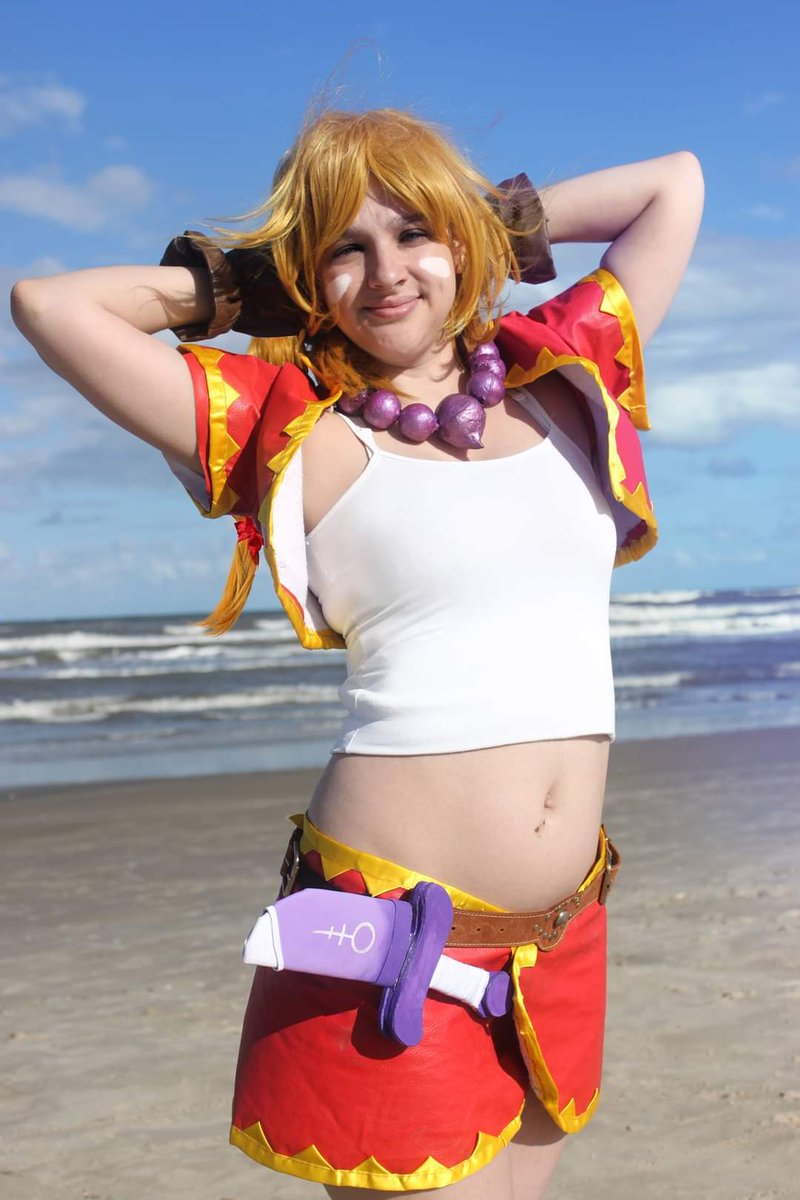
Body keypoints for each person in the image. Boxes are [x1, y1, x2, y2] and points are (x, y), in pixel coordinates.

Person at [11, 107, 704, 1198]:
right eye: (345, 247)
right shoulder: (296, 431)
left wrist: (474, 224)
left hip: (559, 935)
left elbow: (674, 183)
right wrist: (245, 285)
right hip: (389, 940)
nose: (385, 272)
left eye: (411, 233)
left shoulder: (565, 378)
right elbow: (51, 306)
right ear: (307, 275)